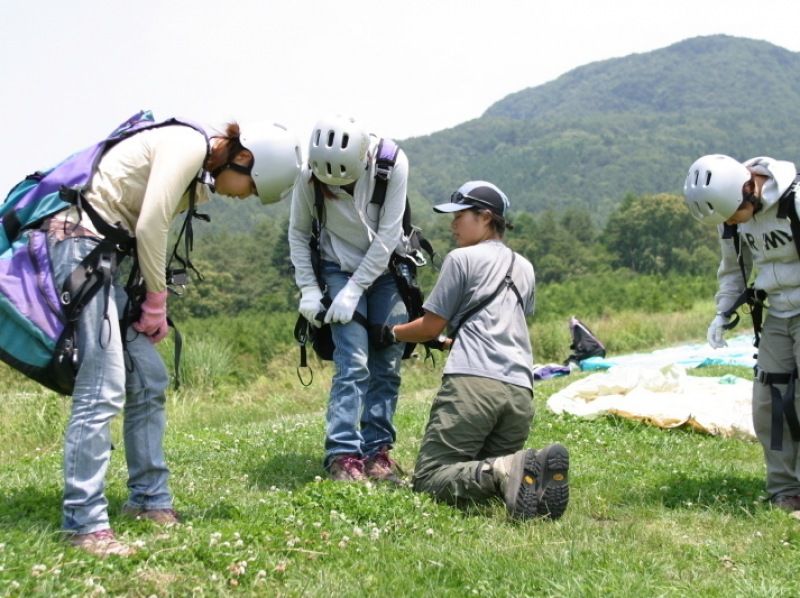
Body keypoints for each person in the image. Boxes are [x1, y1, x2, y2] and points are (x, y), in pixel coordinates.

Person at [49, 118, 301, 556]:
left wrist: (148, 297)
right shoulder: (186, 145)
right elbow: (150, 227)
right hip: (76, 243)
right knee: (101, 386)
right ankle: (83, 523)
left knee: (148, 377)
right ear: (245, 159)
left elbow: (142, 231)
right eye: (252, 189)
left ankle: (148, 501)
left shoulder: (197, 174)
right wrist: (156, 302)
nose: (243, 198)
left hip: (104, 257)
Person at [378, 180, 570, 520]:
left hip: (474, 385)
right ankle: (528, 474)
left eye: (460, 216)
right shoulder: (525, 267)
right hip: (520, 393)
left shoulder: (461, 258)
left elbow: (430, 326)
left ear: (484, 217)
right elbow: (503, 322)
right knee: (492, 480)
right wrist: (454, 339)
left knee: (430, 478)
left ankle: (504, 470)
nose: (452, 225)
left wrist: (390, 332)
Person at [288, 115, 409, 483]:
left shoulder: (392, 164)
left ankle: (377, 451)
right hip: (337, 266)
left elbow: (389, 235)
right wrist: (309, 287)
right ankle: (342, 453)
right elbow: (298, 232)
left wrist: (356, 289)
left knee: (387, 360)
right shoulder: (309, 175)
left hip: (385, 267)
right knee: (353, 361)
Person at [684, 154, 800, 515]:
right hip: (777, 312)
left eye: (733, 214)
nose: (731, 223)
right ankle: (785, 489)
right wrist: (722, 311)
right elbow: (733, 269)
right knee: (770, 399)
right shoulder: (731, 218)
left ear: (749, 189)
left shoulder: (794, 202)